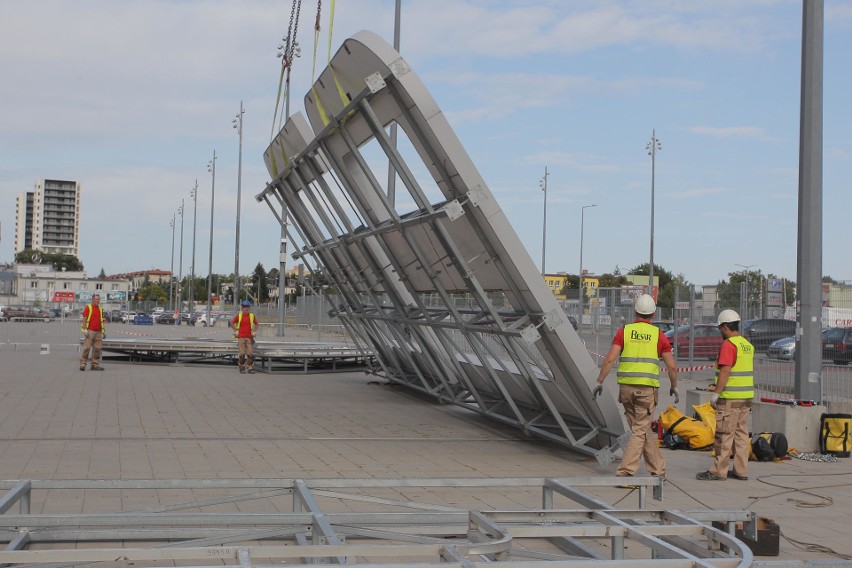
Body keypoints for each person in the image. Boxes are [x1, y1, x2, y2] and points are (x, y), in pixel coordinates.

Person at [592, 293, 679, 478]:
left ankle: (658, 468)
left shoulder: (625, 331)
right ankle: (626, 471)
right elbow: (671, 366)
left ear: (635, 312)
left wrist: (599, 381)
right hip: (646, 391)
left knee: (641, 429)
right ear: (653, 314)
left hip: (626, 390)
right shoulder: (659, 335)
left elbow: (609, 359)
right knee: (640, 431)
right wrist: (674, 386)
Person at [696, 309, 754, 481]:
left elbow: (725, 371)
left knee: (724, 435)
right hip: (745, 399)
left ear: (726, 326)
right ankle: (741, 471)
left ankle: (718, 471)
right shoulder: (746, 344)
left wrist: (716, 394)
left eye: (720, 328)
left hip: (729, 399)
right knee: (742, 436)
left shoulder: (729, 345)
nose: (720, 331)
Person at [80, 294, 106, 371]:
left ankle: (95, 365)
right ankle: (83, 364)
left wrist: (103, 332)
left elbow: (102, 321)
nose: (97, 301)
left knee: (97, 349)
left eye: (98, 299)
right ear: (92, 299)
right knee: (87, 348)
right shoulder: (88, 307)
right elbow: (84, 319)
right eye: (96, 299)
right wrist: (85, 329)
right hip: (90, 331)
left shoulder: (100, 309)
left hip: (98, 331)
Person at [231, 300, 258, 374]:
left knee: (250, 354)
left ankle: (250, 367)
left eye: (247, 307)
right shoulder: (239, 315)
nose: (246, 308)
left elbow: (257, 324)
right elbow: (232, 322)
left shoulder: (252, 316)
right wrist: (235, 330)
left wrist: (254, 331)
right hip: (241, 338)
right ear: (242, 307)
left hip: (249, 338)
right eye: (244, 307)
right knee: (242, 354)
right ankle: (241, 366)